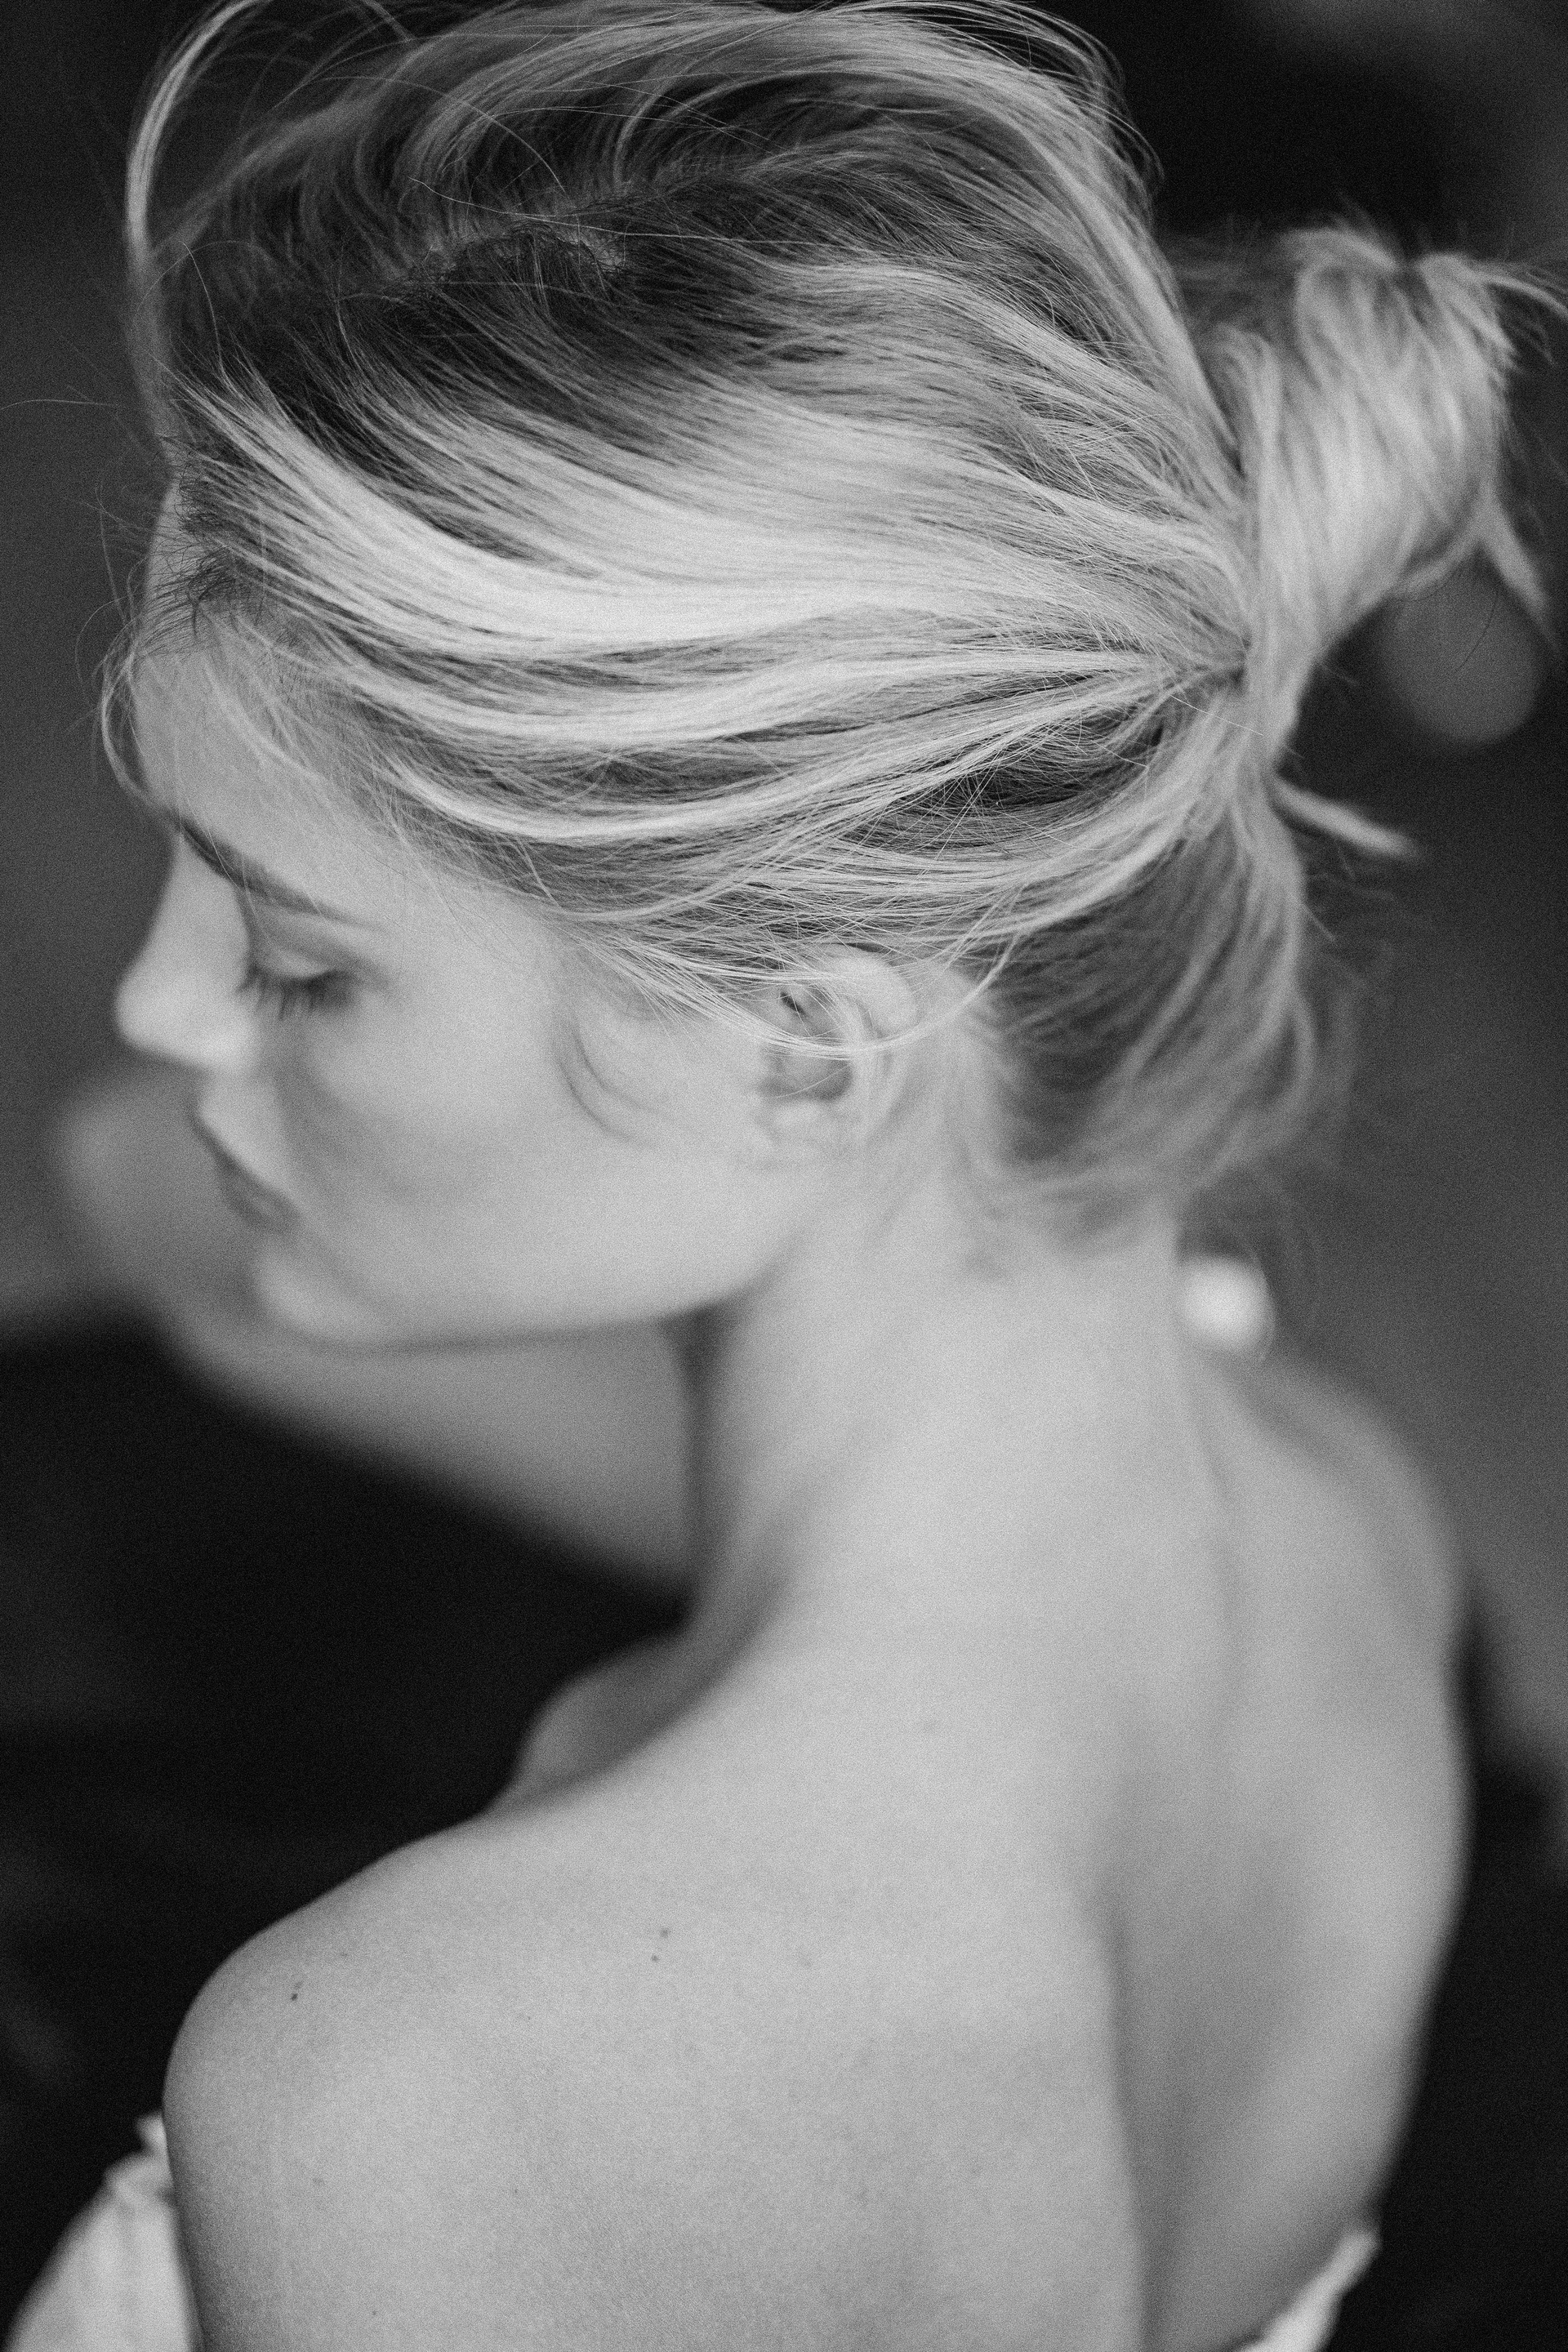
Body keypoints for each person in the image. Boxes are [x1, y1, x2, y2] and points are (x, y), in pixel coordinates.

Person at [8, 0, 1557, 2343]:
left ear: (812, 1043)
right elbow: (146, 1191)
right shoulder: (1352, 1534)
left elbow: (125, 1181)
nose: (158, 1001)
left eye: (304, 967)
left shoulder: (413, 2091)